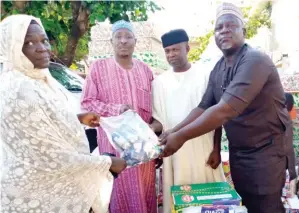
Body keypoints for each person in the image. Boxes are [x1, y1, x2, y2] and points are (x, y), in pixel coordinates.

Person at [159, 3, 296, 213]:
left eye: (231, 26)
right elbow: (204, 106)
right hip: (239, 151)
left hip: (267, 151)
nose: (224, 31)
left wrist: (182, 137)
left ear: (244, 31)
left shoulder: (255, 61)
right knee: (248, 203)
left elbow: (225, 110)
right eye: (219, 28)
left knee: (266, 206)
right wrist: (174, 131)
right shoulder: (219, 67)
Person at [0, 14, 127, 213]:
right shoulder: (17, 89)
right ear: (12, 48)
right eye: (28, 42)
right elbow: (47, 155)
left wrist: (78, 120)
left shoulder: (38, 79)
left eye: (43, 40)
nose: (41, 48)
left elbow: (44, 123)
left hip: (48, 188)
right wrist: (107, 163)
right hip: (34, 193)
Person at [81, 20, 157, 213]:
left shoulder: (146, 71)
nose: (123, 41)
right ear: (111, 41)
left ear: (135, 41)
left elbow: (154, 110)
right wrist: (116, 109)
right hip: (114, 147)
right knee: (119, 192)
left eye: (128, 36)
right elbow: (87, 103)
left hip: (143, 148)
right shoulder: (98, 68)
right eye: (118, 36)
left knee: (145, 190)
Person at [150, 29, 226, 212]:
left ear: (187, 48)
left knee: (209, 197)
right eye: (167, 51)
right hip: (174, 150)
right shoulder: (159, 83)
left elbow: (216, 116)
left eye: (175, 50)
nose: (171, 55)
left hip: (203, 147)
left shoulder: (206, 75)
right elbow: (159, 121)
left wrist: (216, 149)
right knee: (178, 198)